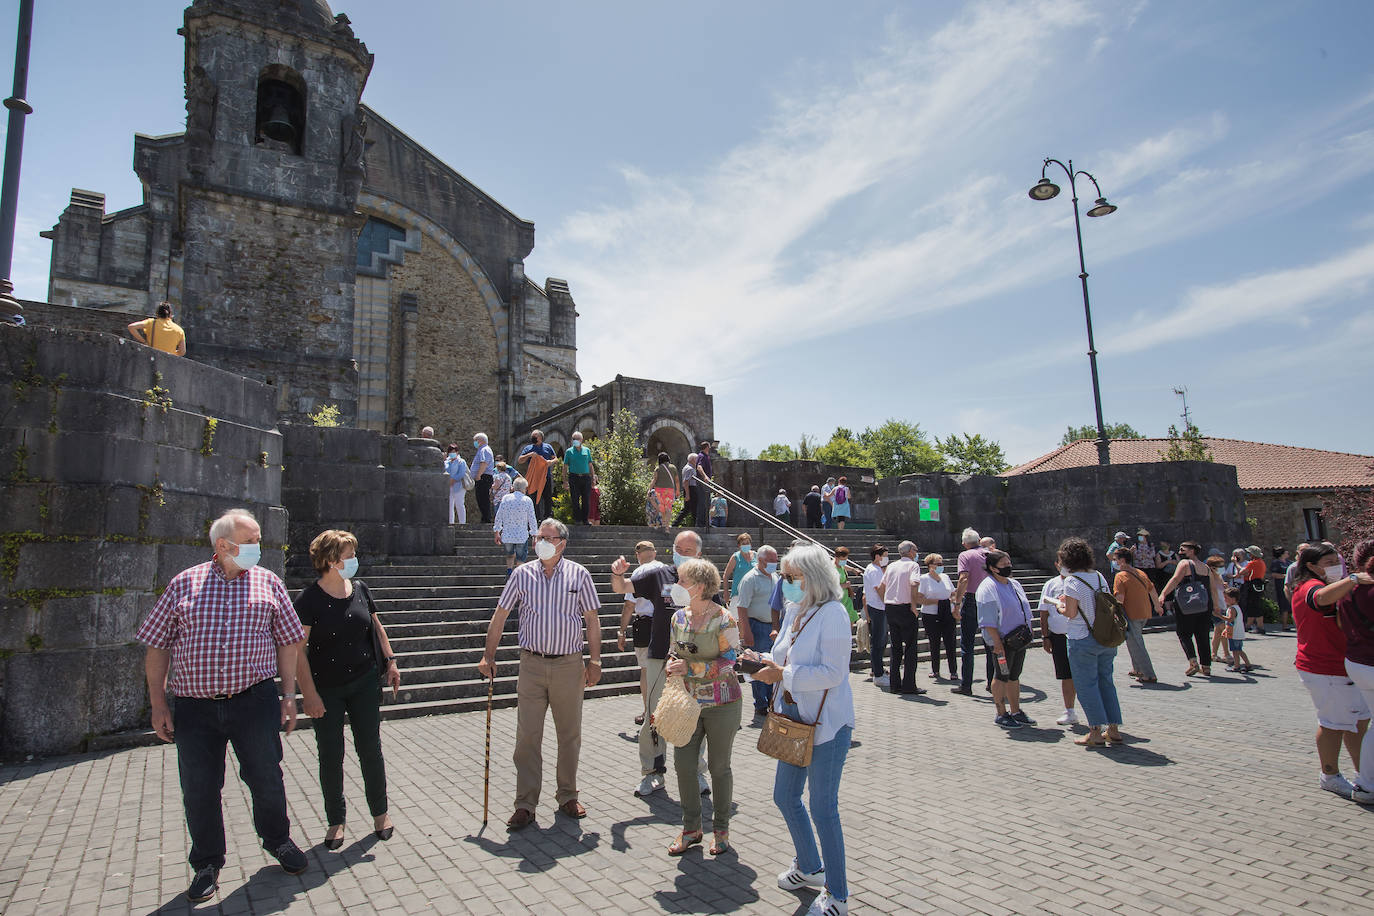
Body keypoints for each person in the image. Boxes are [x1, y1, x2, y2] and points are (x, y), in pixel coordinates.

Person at [134, 508, 309, 903]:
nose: (257, 548)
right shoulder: (184, 584)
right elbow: (157, 645)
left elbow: (288, 642)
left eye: (258, 540)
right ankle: (207, 863)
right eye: (250, 542)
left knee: (265, 776)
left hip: (254, 700)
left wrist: (288, 694)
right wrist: (158, 703)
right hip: (195, 707)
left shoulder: (269, 583)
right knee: (199, 787)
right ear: (223, 545)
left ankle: (278, 840)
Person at [743, 543, 856, 916]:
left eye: (790, 577)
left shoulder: (833, 614)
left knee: (824, 809)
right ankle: (809, 866)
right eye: (783, 576)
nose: (784, 583)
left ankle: (837, 894)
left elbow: (834, 673)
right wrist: (758, 660)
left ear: (812, 577)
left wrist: (783, 675)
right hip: (793, 721)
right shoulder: (796, 610)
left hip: (826, 725)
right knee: (785, 796)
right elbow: (782, 658)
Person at [477, 519, 602, 829]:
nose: (540, 541)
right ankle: (525, 803)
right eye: (538, 536)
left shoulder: (579, 574)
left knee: (569, 734)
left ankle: (567, 796)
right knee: (527, 736)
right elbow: (501, 614)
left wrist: (595, 661)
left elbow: (592, 619)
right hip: (531, 665)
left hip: (568, 665)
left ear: (562, 542)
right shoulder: (522, 574)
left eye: (547, 537)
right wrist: (488, 655)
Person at [293, 530, 400, 849]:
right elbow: (298, 650)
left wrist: (391, 662)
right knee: (330, 754)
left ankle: (380, 814)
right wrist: (307, 693)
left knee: (370, 749)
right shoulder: (309, 599)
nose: (354, 561)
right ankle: (335, 820)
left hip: (364, 681)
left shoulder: (361, 589)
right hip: (326, 687)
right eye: (348, 555)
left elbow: (377, 627)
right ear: (330, 560)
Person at [611, 529, 713, 797]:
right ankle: (652, 772)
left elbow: (719, 615)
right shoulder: (658, 575)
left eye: (687, 551)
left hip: (695, 662)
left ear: (699, 554)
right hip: (660, 656)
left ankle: (697, 773)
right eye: (677, 549)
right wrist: (618, 573)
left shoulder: (707, 580)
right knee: (654, 717)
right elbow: (622, 588)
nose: (681, 554)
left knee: (694, 719)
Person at [665, 558, 743, 857]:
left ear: (699, 586)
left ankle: (721, 831)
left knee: (718, 767)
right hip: (687, 703)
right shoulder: (678, 619)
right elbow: (675, 652)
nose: (677, 585)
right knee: (683, 766)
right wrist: (674, 665)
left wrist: (692, 669)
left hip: (722, 703)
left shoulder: (723, 619)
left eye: (682, 580)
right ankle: (691, 829)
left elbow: (731, 659)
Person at [1290, 542, 1372, 801]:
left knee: (1357, 723)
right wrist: (1353, 579)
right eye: (1329, 563)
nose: (1336, 567)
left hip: (1340, 665)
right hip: (1323, 667)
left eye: (1338, 561)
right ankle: (1330, 775)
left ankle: (1365, 774)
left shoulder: (1326, 585)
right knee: (1333, 723)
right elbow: (1321, 599)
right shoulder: (1310, 587)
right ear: (1311, 566)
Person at [1057, 537, 1125, 746]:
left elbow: (1070, 612)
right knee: (1106, 682)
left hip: (1082, 638)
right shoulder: (1098, 576)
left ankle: (1095, 731)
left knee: (1087, 685)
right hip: (1105, 636)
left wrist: (1059, 606)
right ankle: (1113, 729)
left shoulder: (1071, 581)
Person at [977, 549, 1035, 729]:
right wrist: (997, 643)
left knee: (1014, 675)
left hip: (1018, 638)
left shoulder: (1014, 584)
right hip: (1002, 641)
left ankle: (1016, 710)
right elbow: (987, 620)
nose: (1008, 567)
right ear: (993, 568)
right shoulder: (987, 588)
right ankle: (1001, 712)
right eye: (1003, 565)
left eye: (1009, 563)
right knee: (1001, 675)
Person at [1337, 538, 1374, 805]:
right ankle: (1366, 783)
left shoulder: (1346, 588)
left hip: (1356, 662)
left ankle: (1366, 782)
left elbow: (1340, 623)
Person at [1160, 540, 1225, 677]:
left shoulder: (1184, 563)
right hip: (1204, 605)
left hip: (1186, 605)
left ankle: (1193, 662)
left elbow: (1175, 579)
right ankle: (1206, 666)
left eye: (1183, 549)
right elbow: (1212, 589)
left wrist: (1163, 594)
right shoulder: (1206, 568)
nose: (1180, 552)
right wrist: (1216, 606)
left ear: (1192, 551)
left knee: (1184, 633)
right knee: (1202, 635)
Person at [615, 542, 657, 728]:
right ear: (654, 553)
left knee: (646, 671)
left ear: (638, 555)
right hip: (666, 624)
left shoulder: (638, 574)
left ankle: (649, 712)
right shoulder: (666, 571)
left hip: (645, 625)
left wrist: (621, 631)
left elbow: (629, 606)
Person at [735, 546, 781, 715]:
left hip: (773, 626)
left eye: (776, 560)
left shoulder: (775, 577)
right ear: (761, 560)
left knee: (773, 663)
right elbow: (741, 607)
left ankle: (771, 699)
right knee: (757, 666)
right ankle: (760, 703)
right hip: (757, 625)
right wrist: (746, 631)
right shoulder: (750, 579)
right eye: (771, 561)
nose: (775, 564)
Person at [881, 541, 925, 696]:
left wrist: (885, 601)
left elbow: (882, 586)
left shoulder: (891, 566)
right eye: (916, 550)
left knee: (896, 647)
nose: (917, 552)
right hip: (905, 607)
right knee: (911, 647)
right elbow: (914, 583)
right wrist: (914, 605)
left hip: (891, 607)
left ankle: (895, 684)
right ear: (911, 551)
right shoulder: (913, 566)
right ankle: (909, 685)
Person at [1113, 546, 1161, 683]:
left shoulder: (1120, 576)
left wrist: (1114, 614)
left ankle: (1149, 674)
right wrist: (1157, 607)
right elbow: (1152, 590)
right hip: (1145, 612)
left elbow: (1120, 599)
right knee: (1133, 641)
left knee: (1137, 644)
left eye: (1116, 560)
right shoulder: (1140, 573)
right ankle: (1137, 669)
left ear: (1122, 560)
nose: (1115, 562)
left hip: (1131, 614)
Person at [1037, 570, 1080, 727]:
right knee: (1065, 675)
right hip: (1059, 636)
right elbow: (1043, 611)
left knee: (1086, 675)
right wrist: (1045, 636)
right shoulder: (1051, 584)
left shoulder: (1081, 581)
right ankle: (1070, 710)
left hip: (1080, 635)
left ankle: (1096, 716)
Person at [952, 528, 989, 696]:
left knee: (967, 644)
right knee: (991, 642)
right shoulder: (991, 554)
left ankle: (966, 685)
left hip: (973, 598)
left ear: (964, 543)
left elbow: (964, 578)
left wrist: (957, 603)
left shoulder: (965, 556)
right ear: (979, 539)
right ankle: (993, 682)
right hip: (991, 599)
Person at [915, 553, 957, 681]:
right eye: (938, 564)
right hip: (931, 614)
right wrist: (937, 602)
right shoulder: (924, 578)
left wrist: (952, 602)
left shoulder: (945, 576)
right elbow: (920, 598)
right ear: (930, 565)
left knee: (950, 642)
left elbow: (953, 593)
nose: (941, 566)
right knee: (934, 642)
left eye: (942, 564)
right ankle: (935, 669)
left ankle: (953, 671)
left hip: (947, 613)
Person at [492, 476, 539, 577]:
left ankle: (509, 571)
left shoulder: (506, 498)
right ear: (524, 488)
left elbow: (499, 515)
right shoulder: (527, 500)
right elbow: (532, 518)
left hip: (507, 534)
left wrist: (497, 531)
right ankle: (518, 575)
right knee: (520, 558)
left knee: (509, 555)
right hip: (521, 535)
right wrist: (535, 535)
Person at [861, 545, 890, 686]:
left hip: (879, 607)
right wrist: (888, 602)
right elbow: (878, 589)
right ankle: (878, 674)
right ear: (877, 556)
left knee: (881, 641)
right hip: (878, 607)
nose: (886, 558)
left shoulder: (877, 569)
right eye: (884, 555)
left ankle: (878, 669)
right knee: (878, 642)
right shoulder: (873, 570)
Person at [515, 429, 557, 520]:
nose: (532, 438)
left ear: (540, 437)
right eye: (532, 436)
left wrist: (550, 462)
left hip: (546, 477)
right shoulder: (528, 448)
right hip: (534, 478)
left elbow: (556, 459)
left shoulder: (548, 447)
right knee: (534, 498)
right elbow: (520, 460)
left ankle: (547, 516)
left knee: (547, 497)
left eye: (535, 436)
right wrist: (529, 455)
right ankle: (536, 518)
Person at [562, 431, 597, 526]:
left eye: (577, 439)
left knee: (586, 499)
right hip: (574, 477)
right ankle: (577, 520)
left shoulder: (587, 450)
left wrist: (593, 477)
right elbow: (565, 466)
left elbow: (590, 465)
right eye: (574, 439)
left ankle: (585, 520)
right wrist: (564, 481)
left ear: (581, 440)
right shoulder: (569, 451)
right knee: (575, 500)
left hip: (585, 477)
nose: (575, 441)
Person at [1221, 589, 1254, 673]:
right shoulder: (1237, 607)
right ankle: (1247, 664)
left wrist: (1219, 615)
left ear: (1233, 599)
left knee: (1235, 651)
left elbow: (1230, 619)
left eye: (1226, 598)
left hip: (1234, 634)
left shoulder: (1232, 609)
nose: (1225, 599)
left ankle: (1237, 666)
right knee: (1239, 650)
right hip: (1238, 633)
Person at [1240, 545, 1269, 635]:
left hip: (1252, 584)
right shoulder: (1261, 562)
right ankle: (1249, 626)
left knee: (1254, 605)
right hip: (1258, 584)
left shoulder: (1253, 563)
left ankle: (1259, 627)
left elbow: (1242, 572)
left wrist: (1236, 564)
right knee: (1253, 605)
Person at [647, 452, 679, 531]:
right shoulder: (673, 467)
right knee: (668, 508)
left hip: (659, 490)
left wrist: (649, 489)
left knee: (662, 507)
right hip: (670, 490)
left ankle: (664, 523)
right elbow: (677, 481)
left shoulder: (658, 468)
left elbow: (654, 480)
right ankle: (667, 526)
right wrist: (677, 490)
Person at [723, 533, 756, 604]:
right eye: (743, 544)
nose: (746, 545)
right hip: (738, 594)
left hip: (754, 594)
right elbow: (726, 576)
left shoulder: (756, 556)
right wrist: (726, 592)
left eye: (747, 543)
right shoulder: (735, 557)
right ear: (739, 545)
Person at [471, 432, 495, 524]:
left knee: (483, 498)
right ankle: (484, 518)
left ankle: (486, 519)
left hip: (483, 477)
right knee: (481, 498)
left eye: (475, 441)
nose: (474, 443)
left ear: (480, 441)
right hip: (483, 476)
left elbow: (484, 463)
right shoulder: (482, 449)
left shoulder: (484, 449)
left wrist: (478, 475)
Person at [443, 443, 470, 525]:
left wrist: (453, 480)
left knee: (459, 504)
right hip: (448, 486)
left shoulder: (461, 462)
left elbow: (461, 473)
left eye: (454, 451)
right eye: (450, 452)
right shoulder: (446, 462)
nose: (452, 453)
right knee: (449, 505)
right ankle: (451, 522)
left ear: (457, 452)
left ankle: (462, 523)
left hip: (459, 486)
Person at [673, 453, 702, 527]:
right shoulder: (689, 469)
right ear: (692, 460)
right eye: (696, 459)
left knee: (688, 509)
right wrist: (688, 494)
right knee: (693, 508)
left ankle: (675, 524)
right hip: (690, 489)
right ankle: (698, 525)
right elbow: (686, 482)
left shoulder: (689, 467)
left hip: (690, 489)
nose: (697, 461)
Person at [833, 547, 858, 625]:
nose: (844, 561)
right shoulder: (832, 568)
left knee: (851, 619)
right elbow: (831, 586)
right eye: (842, 560)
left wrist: (853, 569)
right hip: (838, 599)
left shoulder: (841, 566)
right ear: (836, 558)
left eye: (845, 559)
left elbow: (844, 566)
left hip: (846, 598)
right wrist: (845, 585)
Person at [1271, 546, 1294, 631]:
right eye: (1285, 552)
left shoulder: (1289, 562)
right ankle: (1284, 625)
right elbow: (1274, 574)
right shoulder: (1276, 563)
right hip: (1281, 586)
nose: (1287, 553)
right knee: (1284, 605)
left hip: (1292, 585)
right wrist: (1286, 576)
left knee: (1292, 604)